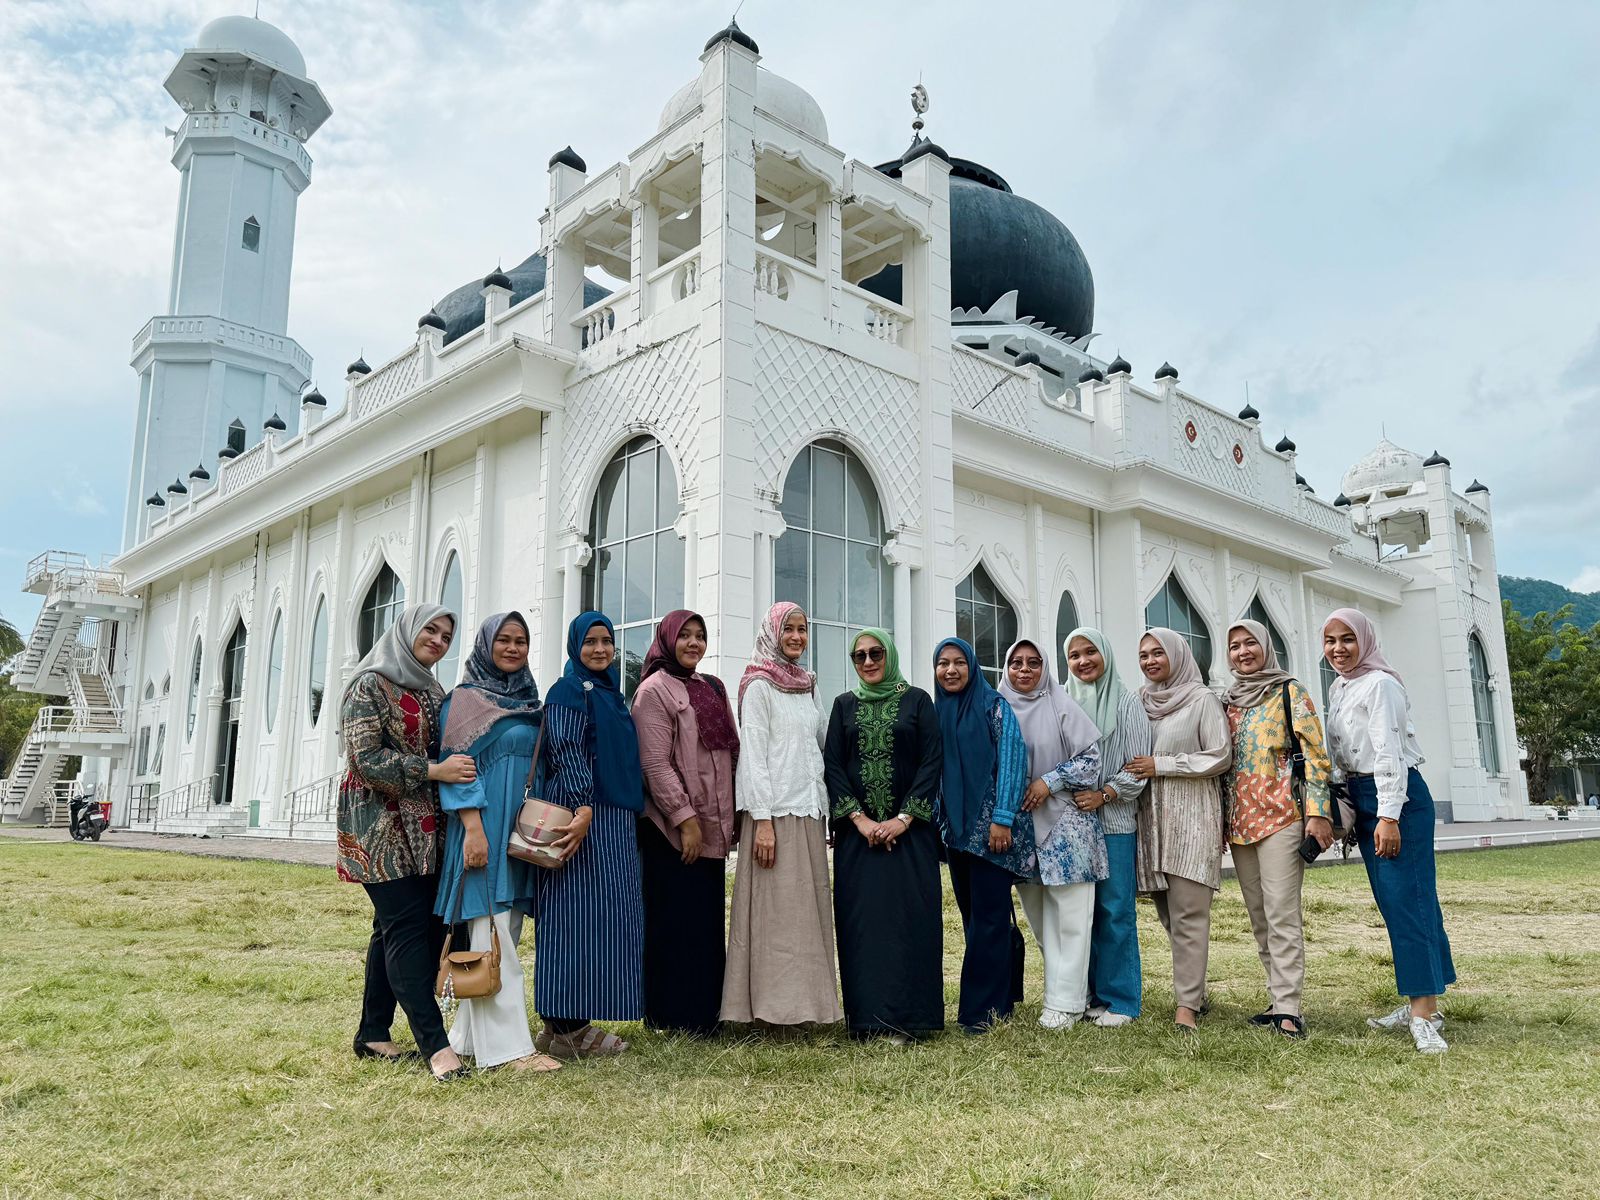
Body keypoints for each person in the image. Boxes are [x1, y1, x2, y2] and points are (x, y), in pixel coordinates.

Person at [335, 602, 471, 1082]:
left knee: (393, 930)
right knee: (409, 928)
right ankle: (436, 1047)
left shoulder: (434, 691)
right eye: (430, 630)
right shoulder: (368, 684)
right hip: (379, 825)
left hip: (425, 829)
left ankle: (372, 1033)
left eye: (446, 636)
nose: (437, 640)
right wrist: (432, 771)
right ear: (407, 631)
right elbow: (364, 759)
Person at [432, 612, 561, 1072]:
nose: (512, 648)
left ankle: (468, 1038)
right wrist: (472, 829)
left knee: (500, 933)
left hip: (520, 833)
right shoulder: (464, 701)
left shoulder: (530, 700)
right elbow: (456, 767)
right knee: (493, 929)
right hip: (483, 828)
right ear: (486, 646)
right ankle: (509, 1052)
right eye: (503, 640)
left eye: (520, 641)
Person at [1323, 608, 1454, 1054]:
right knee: (1399, 902)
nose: (1338, 649)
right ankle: (1426, 999)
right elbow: (1342, 753)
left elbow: (1391, 753)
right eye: (1330, 640)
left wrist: (1389, 815)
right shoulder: (1340, 687)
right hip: (1363, 797)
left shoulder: (1381, 684)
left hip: (1395, 798)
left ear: (1366, 640)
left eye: (1347, 639)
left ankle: (1423, 1013)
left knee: (1409, 901)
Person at [529, 611, 647, 1058]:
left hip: (612, 820)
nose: (599, 649)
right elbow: (566, 748)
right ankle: (567, 1027)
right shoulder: (566, 691)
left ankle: (565, 1026)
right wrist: (582, 806)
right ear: (575, 646)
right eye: (590, 641)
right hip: (583, 815)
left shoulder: (611, 693)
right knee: (572, 918)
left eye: (607, 641)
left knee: (604, 921)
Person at [722, 602, 844, 1029]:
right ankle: (770, 1011)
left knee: (805, 913)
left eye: (802, 629)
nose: (796, 637)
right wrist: (763, 821)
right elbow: (753, 754)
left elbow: (823, 742)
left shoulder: (808, 684)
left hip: (809, 811)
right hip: (772, 815)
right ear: (772, 633)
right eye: (788, 629)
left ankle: (808, 1008)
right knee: (774, 915)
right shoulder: (758, 685)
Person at [823, 629, 944, 1041]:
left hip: (910, 839)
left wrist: (903, 819)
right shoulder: (843, 706)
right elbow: (834, 767)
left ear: (889, 655)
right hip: (858, 842)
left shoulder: (917, 702)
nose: (868, 661)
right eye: (859, 656)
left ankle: (912, 1020)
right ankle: (868, 1021)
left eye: (876, 653)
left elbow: (932, 763)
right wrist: (860, 821)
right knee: (864, 926)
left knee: (910, 922)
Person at [1220, 619, 1333, 1040]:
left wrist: (1317, 814)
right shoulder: (1228, 701)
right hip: (1240, 824)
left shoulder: (1290, 691)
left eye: (1251, 643)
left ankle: (1289, 1008)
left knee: (1282, 913)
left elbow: (1316, 756)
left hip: (1282, 817)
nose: (1243, 652)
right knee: (1259, 916)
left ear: (1266, 647)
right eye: (1234, 646)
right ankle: (1277, 996)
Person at [633, 609, 740, 1036]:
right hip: (671, 831)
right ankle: (669, 1016)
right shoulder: (653, 690)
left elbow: (728, 754)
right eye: (686, 636)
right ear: (668, 639)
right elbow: (654, 763)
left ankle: (705, 1014)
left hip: (712, 825)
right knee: (672, 920)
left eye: (701, 636)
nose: (694, 644)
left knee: (705, 921)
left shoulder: (712, 686)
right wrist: (685, 820)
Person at [1127, 628, 1232, 1031]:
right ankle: (1197, 992)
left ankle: (1185, 1006)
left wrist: (1163, 764)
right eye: (1144, 655)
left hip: (1191, 818)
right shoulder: (1139, 701)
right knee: (1169, 916)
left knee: (1190, 914)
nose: (1151, 661)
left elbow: (1219, 755)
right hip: (1150, 820)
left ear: (1178, 654)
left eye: (1158, 653)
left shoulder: (1202, 699)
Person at [998, 638, 1105, 1030]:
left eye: (1033, 663)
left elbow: (1092, 762)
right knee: (1040, 919)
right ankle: (1064, 995)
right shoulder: (997, 709)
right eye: (1016, 663)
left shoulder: (1061, 704)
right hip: (1021, 830)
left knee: (1072, 917)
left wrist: (1050, 780)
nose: (1024, 670)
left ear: (1044, 668)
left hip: (1066, 827)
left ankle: (1067, 1004)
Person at [931, 637, 1034, 1033]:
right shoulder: (939, 710)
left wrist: (1003, 818)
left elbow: (1012, 762)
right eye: (943, 663)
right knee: (974, 918)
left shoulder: (994, 706)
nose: (951, 670)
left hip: (993, 833)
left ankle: (981, 1012)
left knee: (990, 920)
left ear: (973, 667)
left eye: (959, 662)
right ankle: (999, 999)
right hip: (956, 835)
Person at [1063, 627, 1152, 1028]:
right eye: (1074, 655)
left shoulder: (1127, 702)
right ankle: (1092, 994)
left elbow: (1138, 765)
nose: (1083, 661)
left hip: (1114, 821)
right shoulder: (1063, 702)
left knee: (1115, 909)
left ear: (1106, 655)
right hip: (1073, 826)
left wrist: (1106, 794)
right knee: (1083, 912)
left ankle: (1122, 1000)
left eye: (1090, 652)